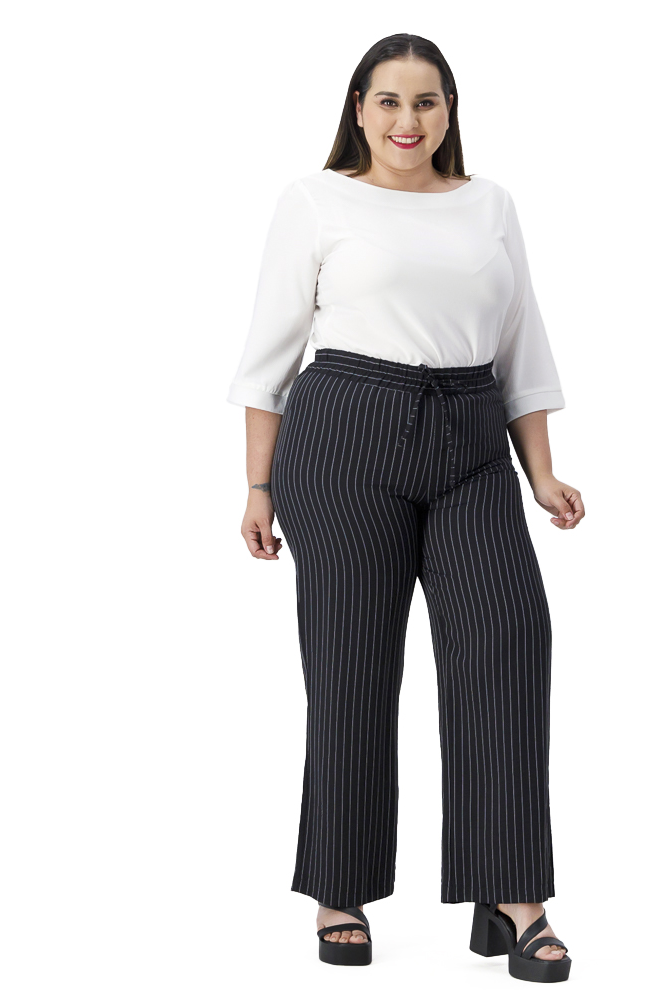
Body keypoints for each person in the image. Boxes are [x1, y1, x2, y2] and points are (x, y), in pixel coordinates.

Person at [227, 33, 583, 983]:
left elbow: (522, 343)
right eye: (388, 101)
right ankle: (339, 890)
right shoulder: (316, 200)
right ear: (358, 109)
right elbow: (269, 355)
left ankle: (513, 895)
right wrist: (257, 485)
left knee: (508, 641)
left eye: (426, 101)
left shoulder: (489, 204)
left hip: (472, 433)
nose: (407, 121)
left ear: (450, 111)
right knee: (352, 665)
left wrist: (542, 473)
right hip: (346, 433)